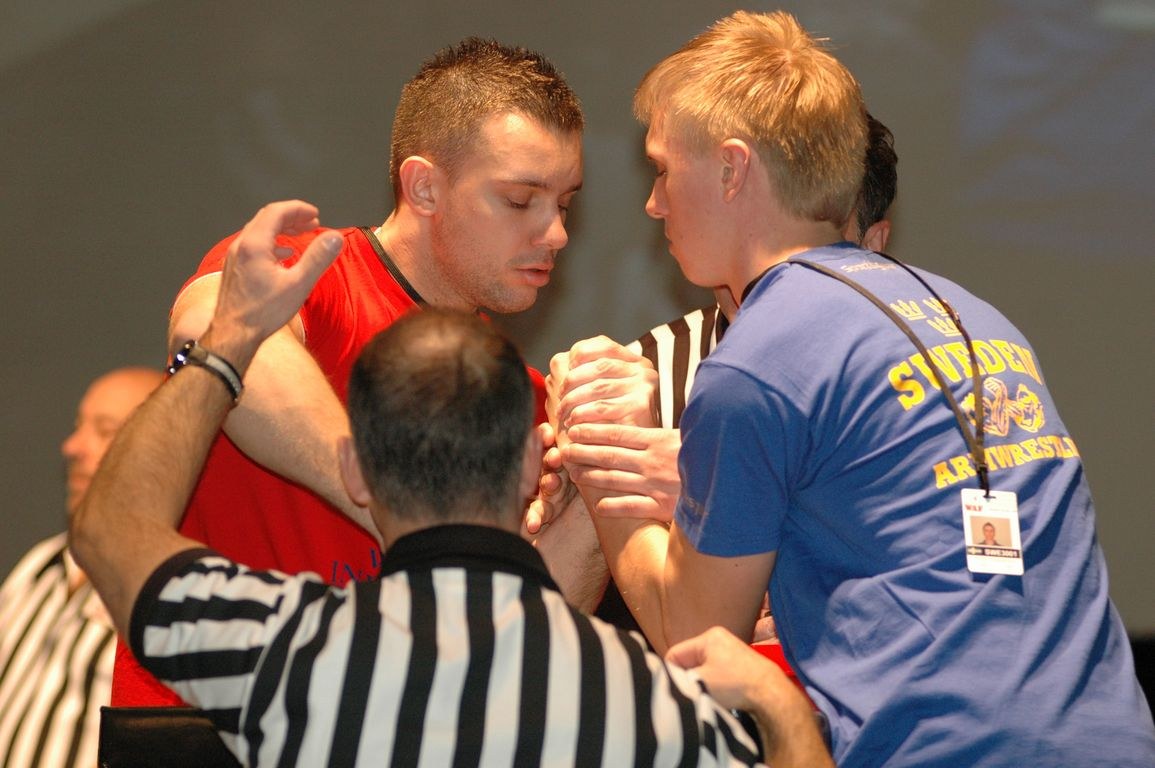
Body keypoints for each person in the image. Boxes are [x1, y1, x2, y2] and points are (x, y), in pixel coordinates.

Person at [550, 10, 1155, 766]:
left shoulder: (755, 360)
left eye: (664, 169)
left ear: (732, 170)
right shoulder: (972, 317)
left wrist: (605, 464)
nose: (654, 202)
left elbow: (697, 638)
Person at [70, 200, 832, 767]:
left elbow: (109, 531)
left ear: (355, 469)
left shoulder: (287, 652)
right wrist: (782, 712)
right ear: (531, 463)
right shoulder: (650, 703)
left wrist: (225, 346)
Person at [113, 36, 592, 706]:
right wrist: (405, 514)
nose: (556, 233)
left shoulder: (524, 395)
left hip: (373, 732)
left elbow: (506, 654)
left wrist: (599, 501)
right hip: (207, 723)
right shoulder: (306, 273)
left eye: (563, 204)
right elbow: (210, 334)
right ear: (424, 186)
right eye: (520, 200)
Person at [0, 367, 162, 768]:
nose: (73, 447)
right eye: (78, 427)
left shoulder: (162, 594)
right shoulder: (41, 565)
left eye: (105, 431)